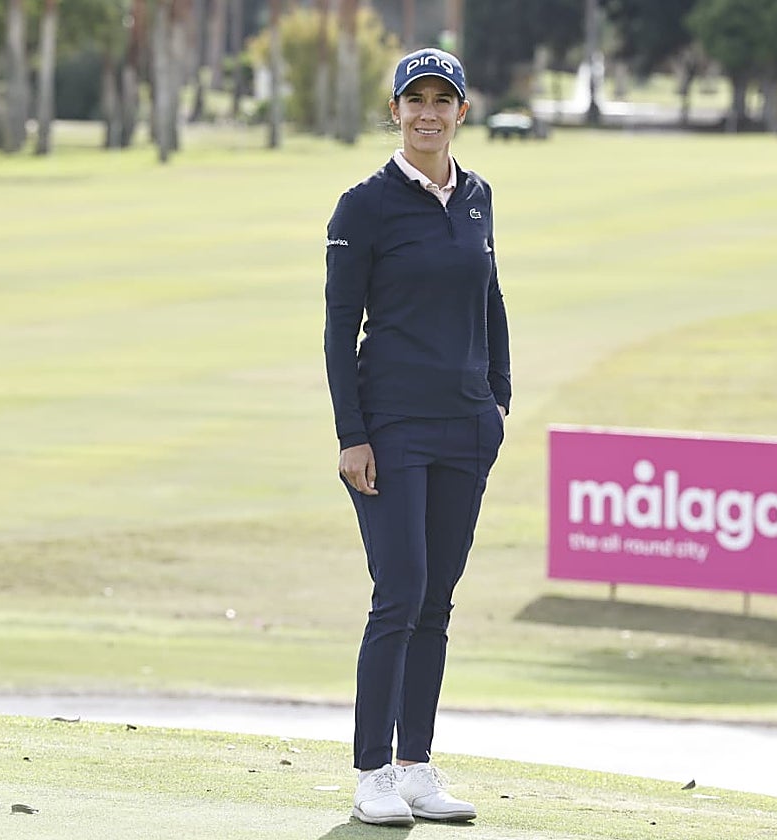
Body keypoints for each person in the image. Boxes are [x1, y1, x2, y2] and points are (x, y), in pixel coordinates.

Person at [323, 47, 511, 826]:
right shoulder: (362, 207)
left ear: (462, 110)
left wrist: (498, 400)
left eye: (442, 100)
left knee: (435, 601)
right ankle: (372, 772)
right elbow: (339, 328)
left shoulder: (478, 197)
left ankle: (415, 767)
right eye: (415, 100)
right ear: (395, 111)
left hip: (466, 427)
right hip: (391, 428)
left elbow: (489, 298)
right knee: (398, 593)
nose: (428, 113)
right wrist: (352, 435)